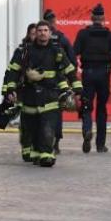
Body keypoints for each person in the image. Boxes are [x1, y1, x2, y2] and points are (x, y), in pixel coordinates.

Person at [2, 20, 82, 167]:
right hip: (29, 95)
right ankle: (35, 152)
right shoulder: (25, 51)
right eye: (40, 31)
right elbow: (13, 70)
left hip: (50, 95)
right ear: (35, 33)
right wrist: (10, 89)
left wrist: (78, 90)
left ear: (50, 33)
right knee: (31, 127)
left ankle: (46, 154)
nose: (42, 33)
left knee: (48, 126)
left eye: (45, 30)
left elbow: (69, 70)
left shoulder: (57, 51)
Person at [73, 3, 111, 154]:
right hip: (104, 74)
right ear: (103, 19)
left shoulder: (83, 34)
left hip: (88, 74)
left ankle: (87, 130)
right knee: (101, 109)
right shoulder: (109, 35)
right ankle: (100, 145)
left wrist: (71, 72)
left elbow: (73, 53)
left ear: (91, 18)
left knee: (86, 106)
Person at [1, 23, 36, 161]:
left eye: (37, 33)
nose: (36, 36)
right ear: (28, 35)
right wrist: (8, 90)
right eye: (33, 33)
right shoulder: (21, 51)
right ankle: (27, 148)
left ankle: (38, 148)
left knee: (40, 122)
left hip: (42, 92)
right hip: (24, 90)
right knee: (27, 122)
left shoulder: (47, 50)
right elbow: (11, 71)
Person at [42, 9, 75, 155]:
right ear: (54, 22)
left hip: (41, 82)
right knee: (57, 111)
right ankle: (56, 142)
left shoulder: (39, 38)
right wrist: (70, 79)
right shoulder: (62, 38)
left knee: (42, 111)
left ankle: (43, 141)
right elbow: (72, 60)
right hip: (59, 82)